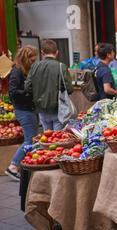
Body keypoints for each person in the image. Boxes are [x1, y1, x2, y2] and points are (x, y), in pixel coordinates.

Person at [5, 46, 39, 181]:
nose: (34, 62)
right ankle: (13, 166)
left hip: (28, 108)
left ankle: (26, 167)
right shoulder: (16, 72)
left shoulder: (24, 70)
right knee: (29, 140)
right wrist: (27, 92)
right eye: (32, 59)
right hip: (23, 110)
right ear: (26, 58)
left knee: (32, 139)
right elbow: (12, 92)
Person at [24, 39, 73, 131]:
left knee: (47, 138)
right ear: (57, 52)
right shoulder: (61, 66)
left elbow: (27, 87)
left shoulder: (35, 66)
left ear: (42, 52)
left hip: (41, 109)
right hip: (58, 109)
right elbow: (69, 89)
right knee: (57, 139)